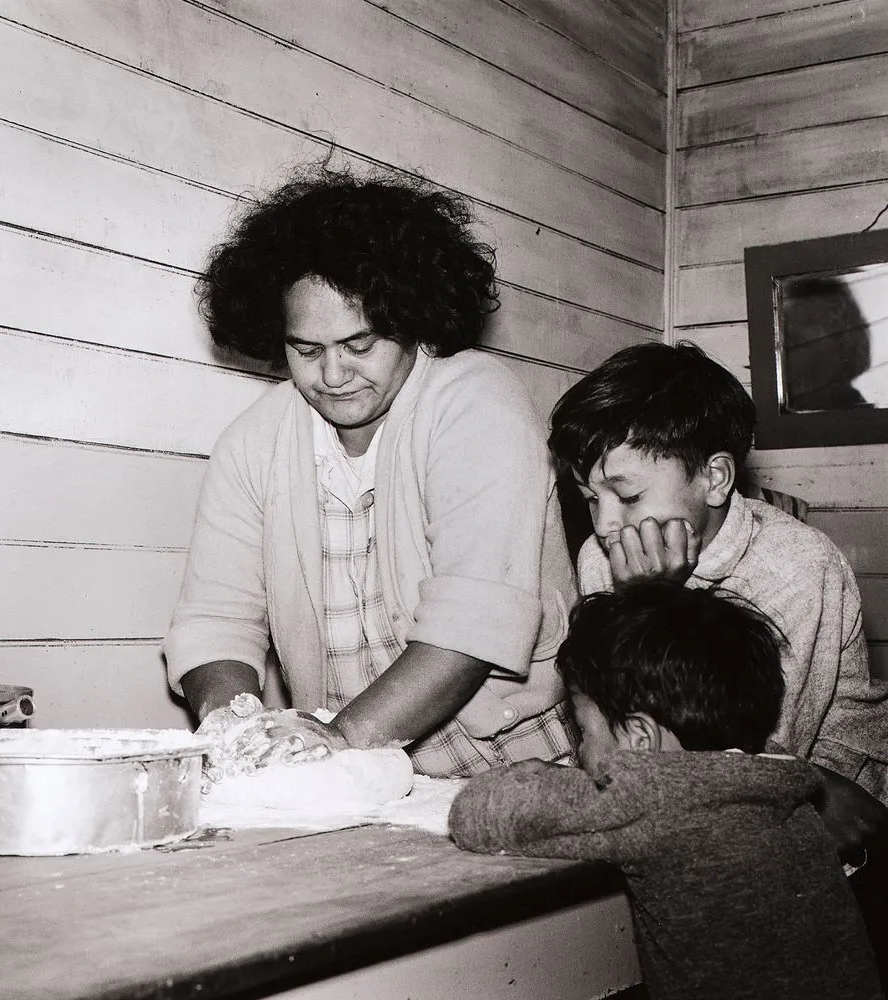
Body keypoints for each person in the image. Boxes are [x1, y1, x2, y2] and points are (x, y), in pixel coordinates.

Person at [163, 165, 576, 779]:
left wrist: (341, 740)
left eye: (360, 346)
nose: (332, 376)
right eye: (306, 350)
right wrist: (237, 731)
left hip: (516, 763)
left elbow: (469, 625)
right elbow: (215, 622)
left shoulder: (477, 403)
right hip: (354, 766)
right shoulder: (253, 442)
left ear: (413, 323)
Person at [448, 584, 884, 1000]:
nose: (579, 750)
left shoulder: (656, 798)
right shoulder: (778, 779)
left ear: (640, 740)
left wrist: (538, 774)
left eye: (583, 730)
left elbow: (478, 812)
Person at [546, 341, 888, 860]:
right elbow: (611, 706)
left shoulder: (795, 564)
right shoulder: (605, 553)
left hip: (832, 799)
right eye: (591, 500)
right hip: (682, 775)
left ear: (716, 478)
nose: (605, 524)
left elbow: (752, 749)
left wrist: (654, 600)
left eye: (629, 496)